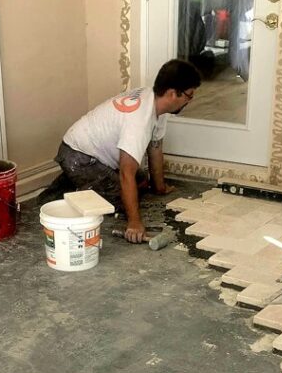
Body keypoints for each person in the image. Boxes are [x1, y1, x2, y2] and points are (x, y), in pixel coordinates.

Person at [53, 59, 201, 242]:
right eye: (189, 95)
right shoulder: (139, 121)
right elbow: (126, 172)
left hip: (93, 154)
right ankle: (72, 190)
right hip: (79, 157)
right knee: (120, 201)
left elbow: (155, 148)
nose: (189, 101)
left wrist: (159, 188)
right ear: (172, 94)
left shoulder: (156, 104)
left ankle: (84, 182)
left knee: (141, 182)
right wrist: (134, 223)